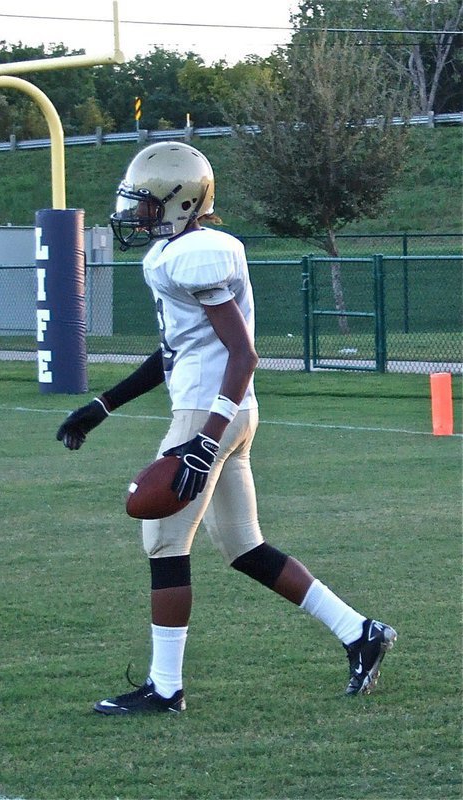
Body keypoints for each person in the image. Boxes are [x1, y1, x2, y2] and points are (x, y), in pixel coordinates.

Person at [56, 141, 397, 715]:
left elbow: (243, 354)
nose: (134, 215)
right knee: (244, 546)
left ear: (180, 201)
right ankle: (360, 633)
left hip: (210, 411)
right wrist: (103, 405)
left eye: (145, 204)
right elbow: (173, 352)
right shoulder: (177, 252)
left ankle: (166, 689)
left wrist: (203, 440)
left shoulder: (198, 254)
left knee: (164, 540)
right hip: (229, 412)